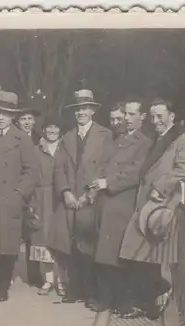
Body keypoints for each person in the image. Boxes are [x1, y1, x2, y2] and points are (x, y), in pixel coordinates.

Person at [119, 98, 185, 319]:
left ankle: (157, 296)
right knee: (139, 256)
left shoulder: (183, 139)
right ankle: (151, 302)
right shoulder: (160, 138)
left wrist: (161, 187)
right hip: (146, 205)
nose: (155, 121)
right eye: (152, 117)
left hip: (161, 207)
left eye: (159, 116)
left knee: (147, 256)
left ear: (172, 116)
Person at [48, 89, 113, 307]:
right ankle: (74, 289)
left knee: (90, 247)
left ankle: (92, 293)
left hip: (91, 199)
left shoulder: (105, 135)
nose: (81, 112)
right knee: (71, 247)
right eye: (78, 109)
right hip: (70, 200)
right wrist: (66, 191)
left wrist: (89, 194)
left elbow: (106, 168)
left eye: (85, 108)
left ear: (93, 111)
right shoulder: (66, 138)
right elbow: (58, 169)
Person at [89, 99, 153, 313]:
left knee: (117, 253)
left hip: (123, 201)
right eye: (125, 113)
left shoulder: (145, 143)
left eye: (131, 114)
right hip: (107, 201)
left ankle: (119, 301)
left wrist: (108, 182)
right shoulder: (118, 139)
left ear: (142, 117)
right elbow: (105, 163)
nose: (126, 118)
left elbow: (136, 172)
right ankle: (106, 298)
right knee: (104, 251)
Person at [0, 90, 39, 302]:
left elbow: (32, 171)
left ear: (12, 117)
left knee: (8, 244)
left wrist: (18, 194)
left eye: (5, 114)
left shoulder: (22, 139)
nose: (0, 117)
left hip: (10, 199)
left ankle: (2, 284)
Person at [28, 119, 68, 296]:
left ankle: (62, 280)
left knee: (61, 239)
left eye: (56, 126)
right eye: (49, 127)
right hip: (42, 198)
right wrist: (32, 203)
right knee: (43, 239)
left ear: (60, 130)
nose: (52, 130)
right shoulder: (36, 150)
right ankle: (48, 279)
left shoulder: (65, 149)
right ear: (43, 130)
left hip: (60, 197)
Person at [15, 105, 44, 288]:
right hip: (17, 190)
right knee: (13, 233)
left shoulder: (40, 140)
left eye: (29, 119)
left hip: (35, 193)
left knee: (34, 235)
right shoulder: (14, 138)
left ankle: (35, 275)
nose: (26, 122)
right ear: (18, 121)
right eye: (23, 119)